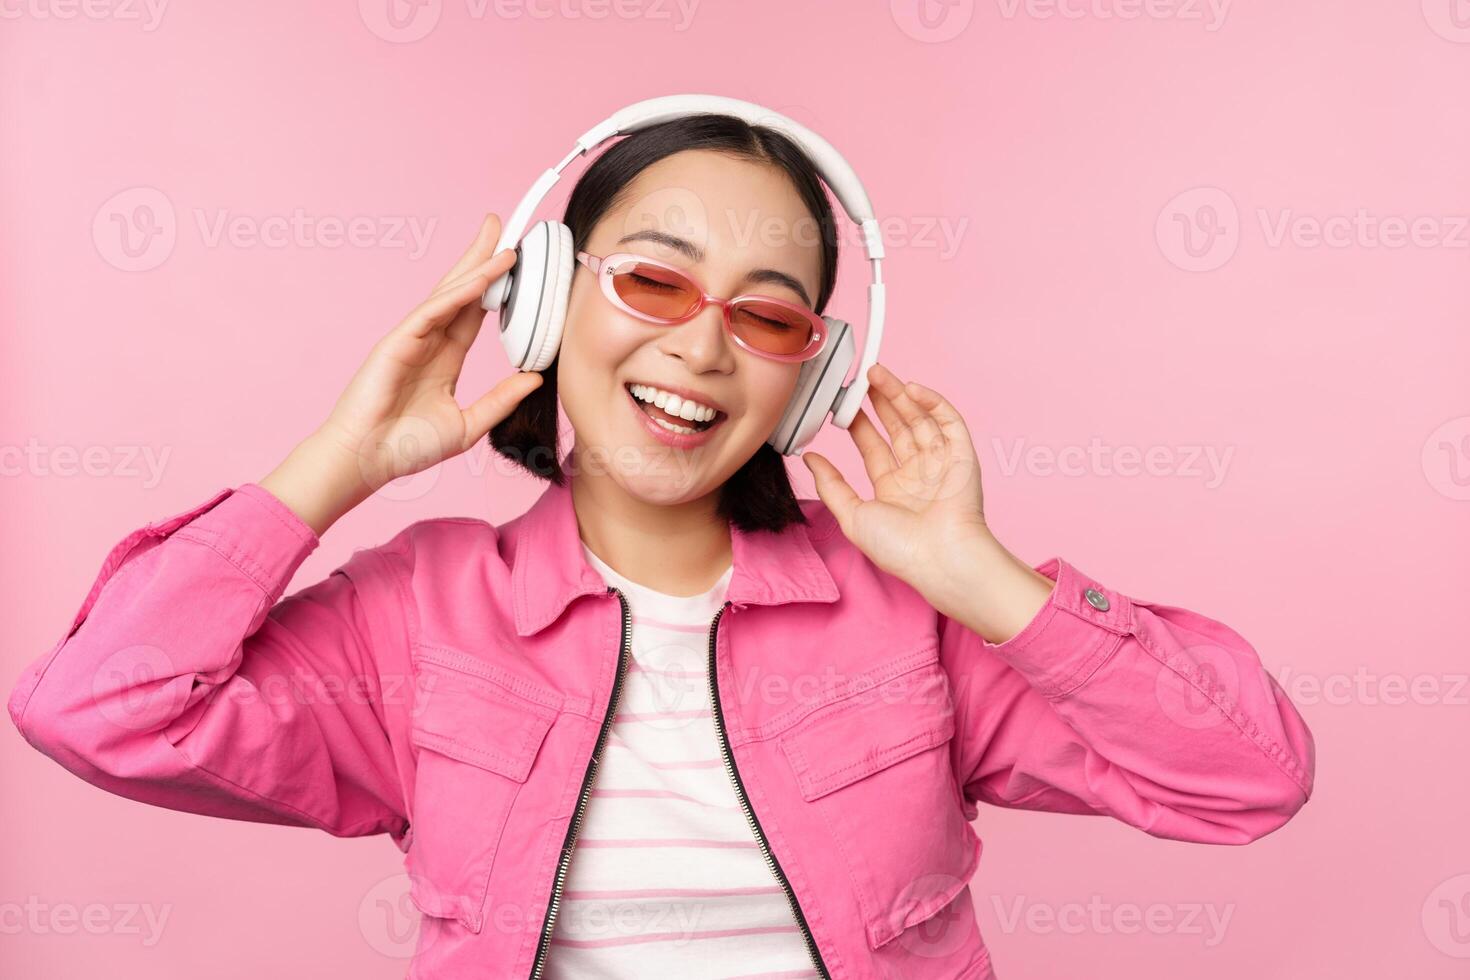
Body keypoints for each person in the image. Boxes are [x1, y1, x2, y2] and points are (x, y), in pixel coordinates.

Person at [7, 113, 1316, 980]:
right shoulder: (417, 617)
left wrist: (980, 577)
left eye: (768, 316)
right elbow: (97, 709)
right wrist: (337, 464)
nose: (700, 347)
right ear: (538, 301)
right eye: (651, 279)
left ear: (812, 377)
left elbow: (1244, 777)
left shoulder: (913, 619)